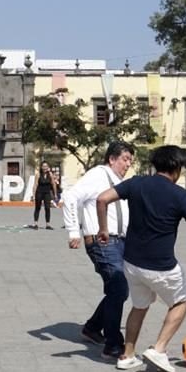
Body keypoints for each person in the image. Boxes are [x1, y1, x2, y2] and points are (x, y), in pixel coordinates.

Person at [96, 145, 186, 372]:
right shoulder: (179, 195)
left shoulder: (136, 183)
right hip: (161, 266)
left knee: (139, 306)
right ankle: (159, 348)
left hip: (132, 263)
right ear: (175, 167)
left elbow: (102, 199)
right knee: (182, 300)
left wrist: (103, 229)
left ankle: (127, 356)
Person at [61, 141, 135, 359]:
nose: (128, 164)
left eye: (130, 160)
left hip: (120, 242)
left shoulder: (119, 181)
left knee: (118, 289)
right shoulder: (98, 175)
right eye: (124, 159)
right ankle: (113, 344)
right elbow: (70, 197)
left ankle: (92, 328)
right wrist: (74, 230)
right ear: (111, 159)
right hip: (102, 242)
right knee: (119, 287)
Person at [29, 161, 59, 230]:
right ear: (41, 167)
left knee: (47, 208)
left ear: (48, 167)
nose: (45, 168)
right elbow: (35, 185)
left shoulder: (50, 174)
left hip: (47, 193)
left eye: (46, 166)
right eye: (43, 166)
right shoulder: (38, 174)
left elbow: (53, 184)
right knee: (37, 208)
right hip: (39, 192)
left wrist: (55, 194)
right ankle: (36, 224)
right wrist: (33, 195)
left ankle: (48, 225)